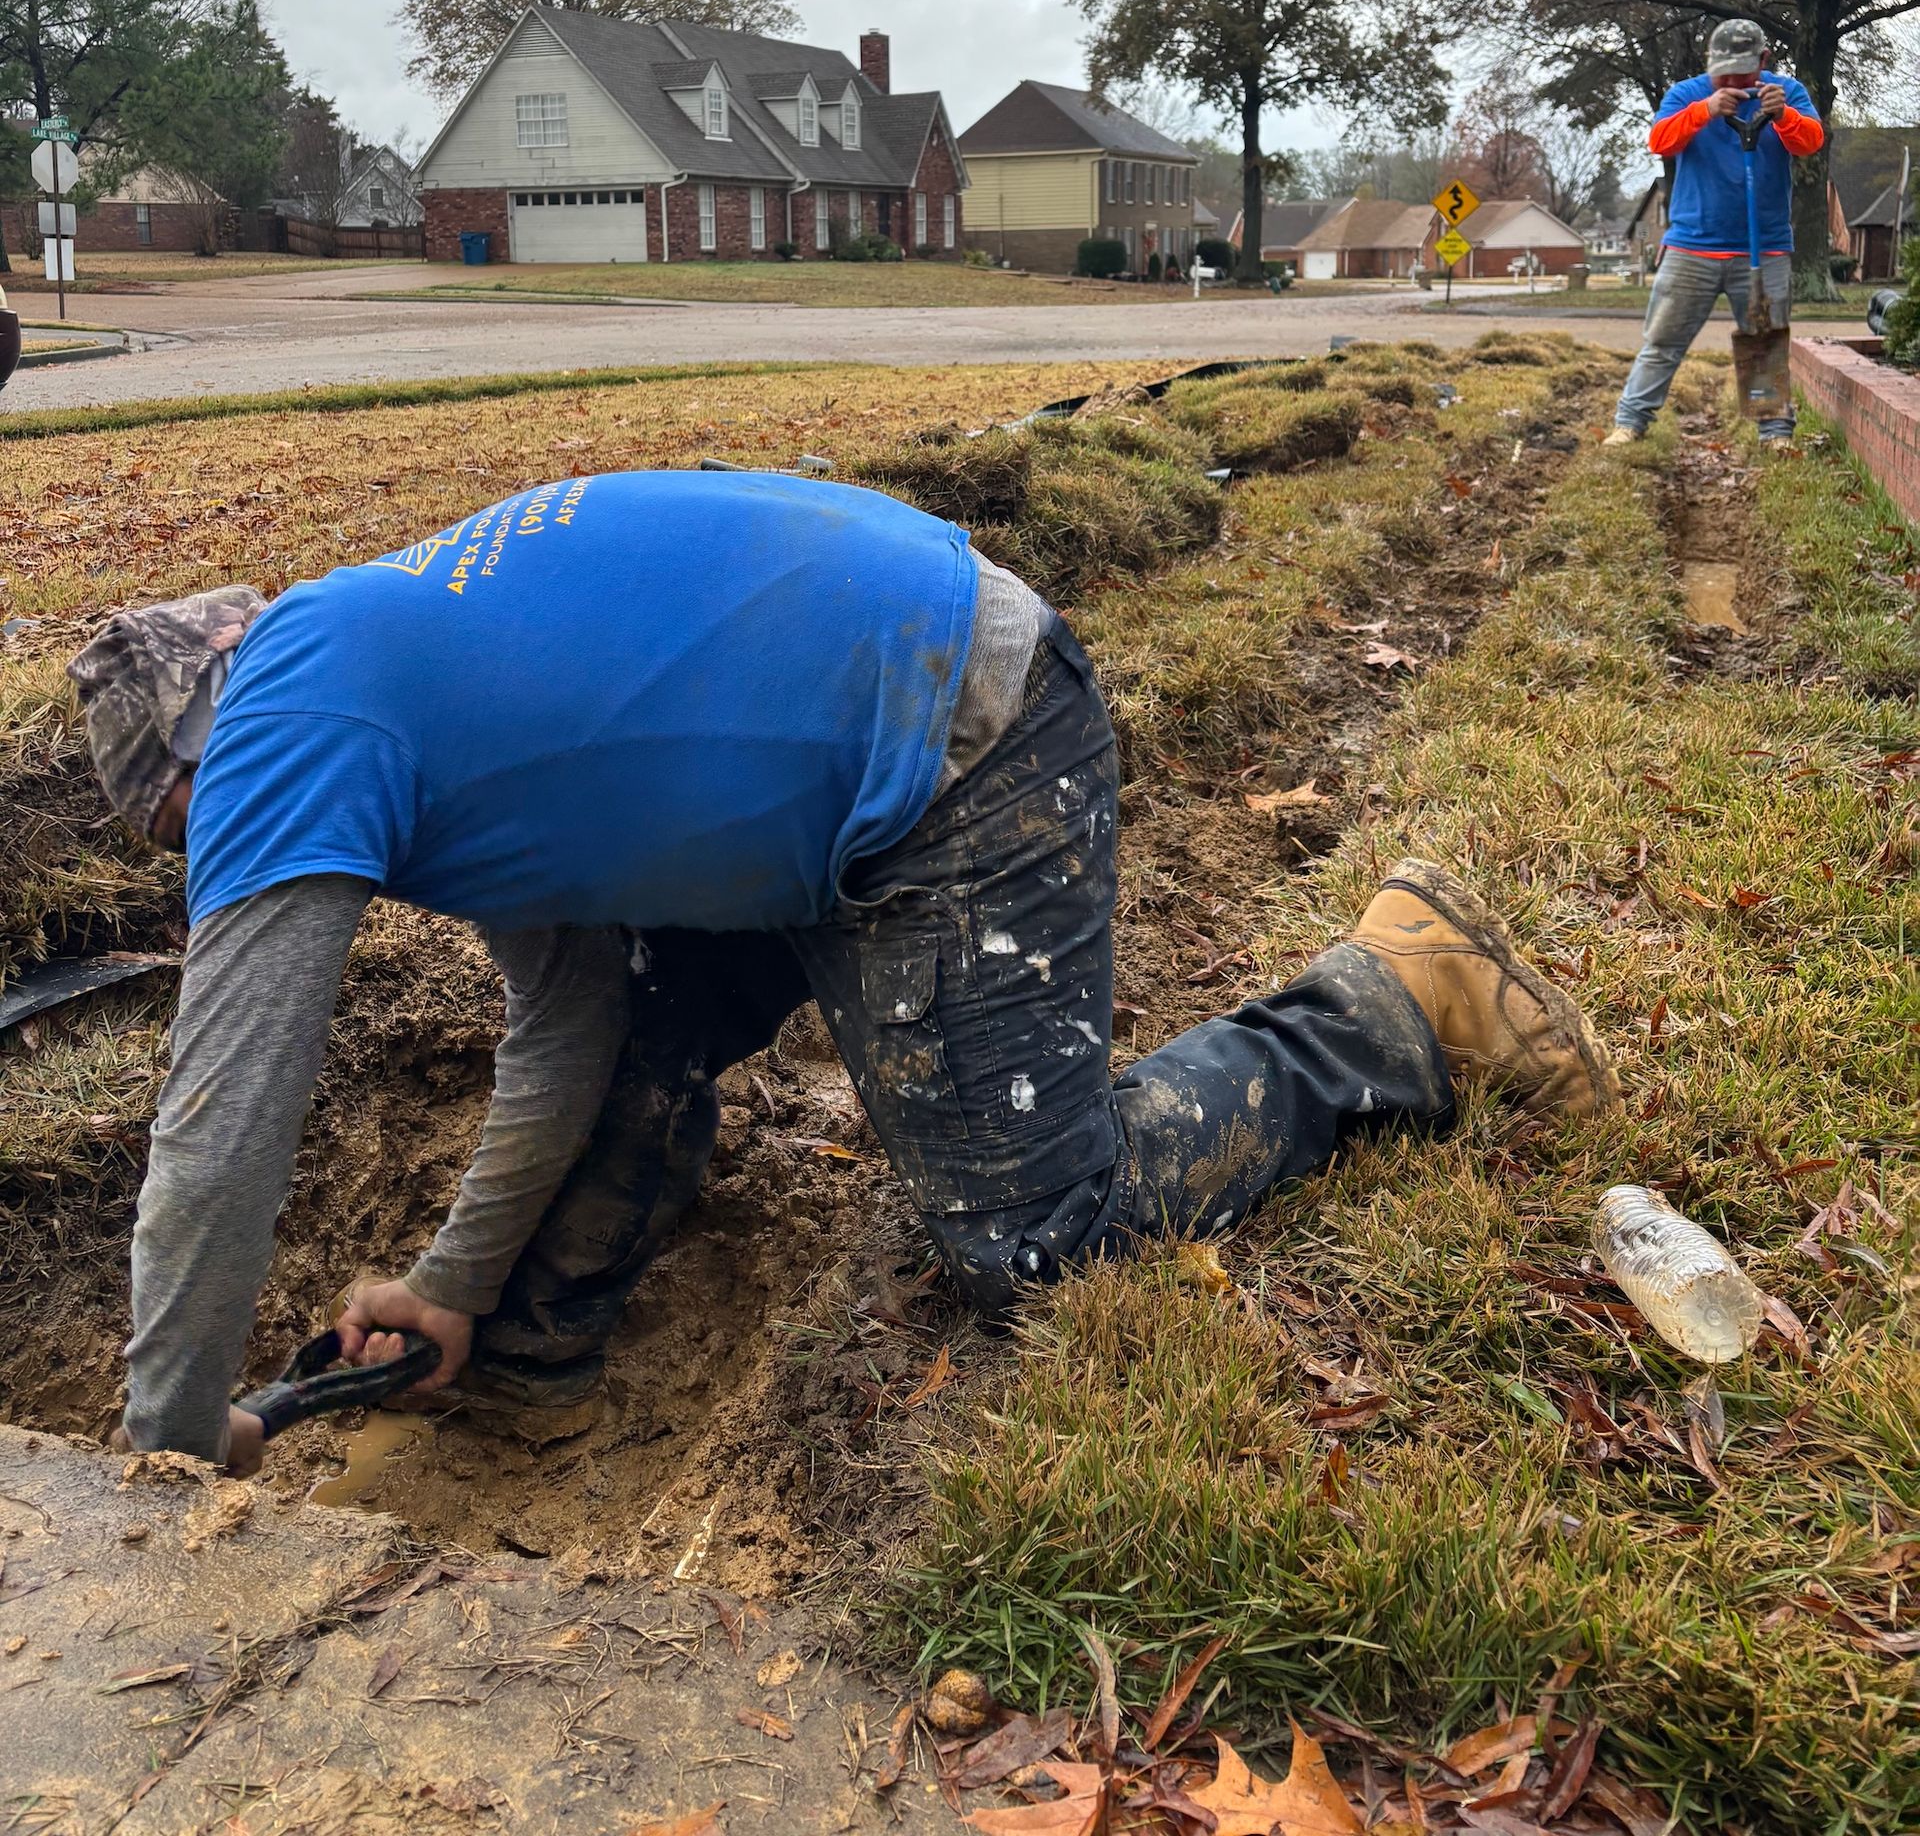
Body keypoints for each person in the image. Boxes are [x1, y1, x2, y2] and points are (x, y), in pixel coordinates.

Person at [71, 469, 1622, 1477]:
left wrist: (162, 1444)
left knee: (1032, 1232)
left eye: (177, 829)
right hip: (835, 734)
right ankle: (534, 1368)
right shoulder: (388, 686)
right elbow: (567, 1031)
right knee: (625, 1052)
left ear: (192, 768)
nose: (201, 857)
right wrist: (455, 1288)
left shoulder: (278, 724)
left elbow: (224, 1122)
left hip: (957, 743)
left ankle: (1387, 1003)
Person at [1605, 18, 1824, 451]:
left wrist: (1783, 116)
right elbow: (1660, 142)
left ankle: (1775, 433)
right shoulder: (1687, 94)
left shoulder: (1787, 94)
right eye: (1720, 69)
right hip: (1692, 246)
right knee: (1662, 341)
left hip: (1765, 248)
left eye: (1740, 70)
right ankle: (1630, 424)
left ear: (1763, 60)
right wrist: (1704, 111)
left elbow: (1810, 142)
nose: (1727, 79)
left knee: (1765, 342)